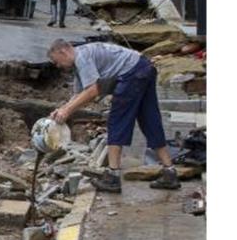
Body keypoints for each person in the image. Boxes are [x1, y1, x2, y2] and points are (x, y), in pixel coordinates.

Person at [47, 39, 181, 193]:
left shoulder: (82, 58)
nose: (58, 66)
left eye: (56, 61)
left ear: (63, 52)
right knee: (150, 120)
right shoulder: (81, 58)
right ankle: (169, 172)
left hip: (132, 74)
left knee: (117, 122)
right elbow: (78, 94)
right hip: (145, 67)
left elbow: (92, 91)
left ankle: (113, 176)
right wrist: (61, 109)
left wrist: (68, 111)